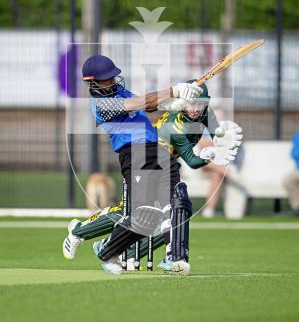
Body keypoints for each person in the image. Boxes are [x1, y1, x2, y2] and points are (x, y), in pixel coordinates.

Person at [63, 74, 242, 273]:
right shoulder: (102, 105)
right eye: (108, 78)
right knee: (135, 214)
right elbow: (141, 103)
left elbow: (148, 106)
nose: (114, 79)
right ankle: (84, 234)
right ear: (94, 82)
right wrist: (174, 92)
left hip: (158, 156)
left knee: (173, 212)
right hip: (138, 155)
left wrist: (171, 104)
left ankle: (171, 258)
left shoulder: (121, 92)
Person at [282, 132, 299, 215]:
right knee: (287, 181)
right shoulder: (297, 137)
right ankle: (297, 207)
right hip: (298, 170)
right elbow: (294, 154)